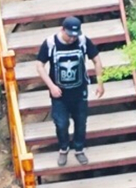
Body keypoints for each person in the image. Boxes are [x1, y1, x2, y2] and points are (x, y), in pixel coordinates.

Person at [37, 12, 100, 168]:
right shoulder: (50, 43)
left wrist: (100, 82)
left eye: (75, 35)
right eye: (70, 35)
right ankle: (63, 148)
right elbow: (39, 65)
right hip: (59, 94)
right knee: (61, 123)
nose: (72, 38)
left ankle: (79, 149)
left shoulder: (83, 41)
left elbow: (97, 59)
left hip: (79, 91)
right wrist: (51, 86)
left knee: (81, 122)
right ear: (62, 29)